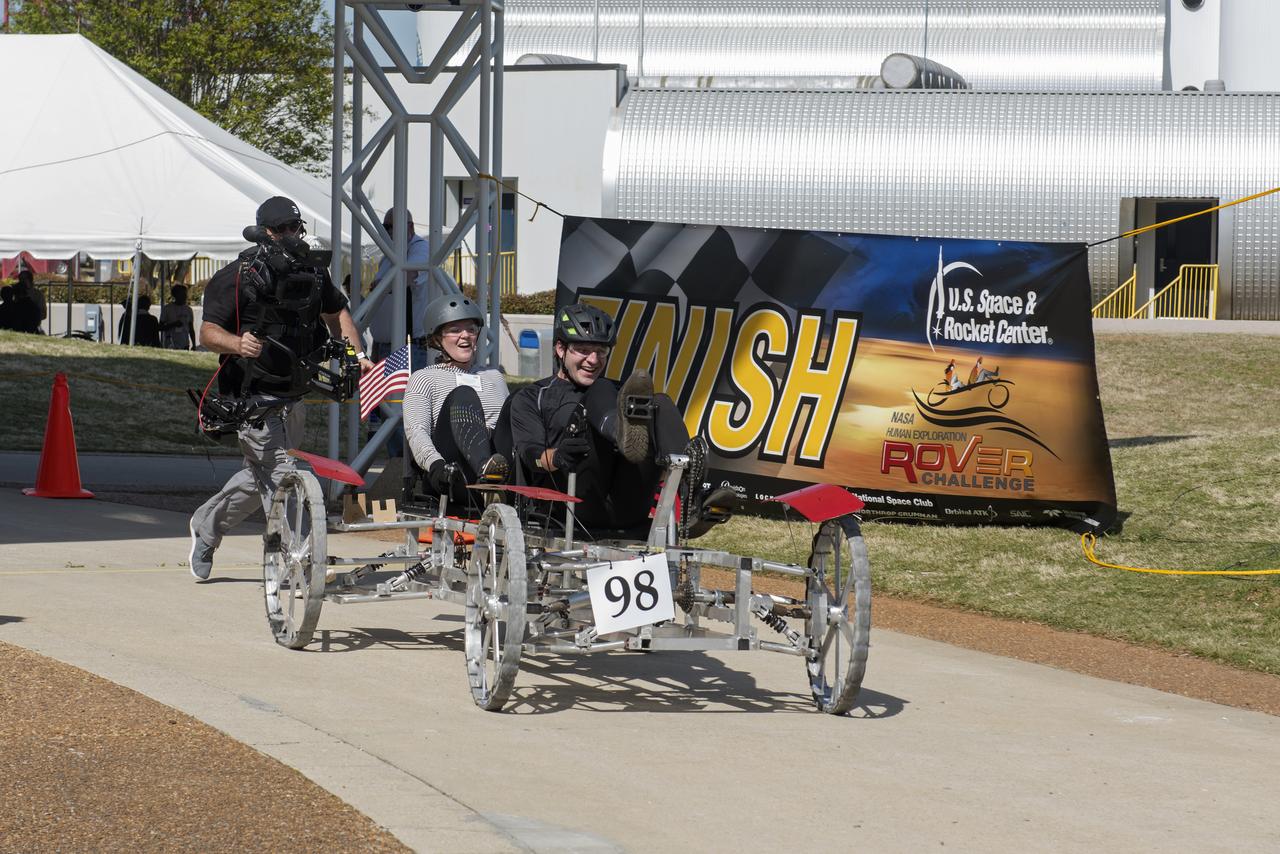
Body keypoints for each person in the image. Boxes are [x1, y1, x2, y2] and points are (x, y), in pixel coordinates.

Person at [187, 196, 375, 581]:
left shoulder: (313, 271)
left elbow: (336, 311)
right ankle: (297, 560)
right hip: (250, 398)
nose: (290, 236)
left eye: (295, 228)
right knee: (282, 476)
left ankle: (205, 527)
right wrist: (237, 344)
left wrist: (356, 353)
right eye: (282, 229)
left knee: (259, 478)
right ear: (264, 232)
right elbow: (206, 332)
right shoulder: (237, 275)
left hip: (293, 394)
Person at [508, 302, 732, 537]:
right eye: (583, 350)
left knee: (659, 402)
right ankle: (621, 432)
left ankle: (689, 496)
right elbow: (530, 454)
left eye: (601, 352)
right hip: (571, 502)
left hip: (628, 507)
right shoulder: (533, 396)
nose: (593, 360)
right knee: (602, 388)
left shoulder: (620, 392)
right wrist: (558, 456)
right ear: (560, 349)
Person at [402, 294, 510, 503]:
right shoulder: (424, 378)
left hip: (500, 466)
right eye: (455, 330)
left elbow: (507, 430)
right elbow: (417, 432)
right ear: (436, 339)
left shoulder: (494, 377)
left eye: (471, 329)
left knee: (520, 403)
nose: (465, 336)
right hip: (450, 473)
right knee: (463, 394)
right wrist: (436, 466)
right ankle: (486, 475)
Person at [376, 208, 431, 347]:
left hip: (412, 345)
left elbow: (408, 276)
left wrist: (382, 285)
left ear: (410, 226)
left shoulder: (421, 249)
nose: (387, 231)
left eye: (391, 226)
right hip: (385, 344)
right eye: (385, 227)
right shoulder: (387, 257)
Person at [159, 284, 196, 350]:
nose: (185, 296)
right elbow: (160, 327)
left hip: (185, 345)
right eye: (182, 294)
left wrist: (194, 344)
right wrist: (173, 324)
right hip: (170, 344)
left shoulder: (188, 310)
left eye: (185, 294)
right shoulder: (167, 309)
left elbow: (191, 329)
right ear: (175, 295)